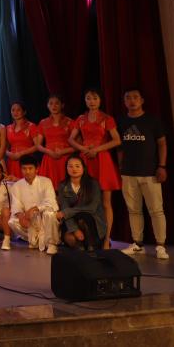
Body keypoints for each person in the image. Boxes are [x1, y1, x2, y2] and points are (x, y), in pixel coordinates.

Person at [117, 87, 169, 259]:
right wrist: (120, 167)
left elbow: (162, 144)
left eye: (135, 97)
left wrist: (162, 166)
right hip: (128, 173)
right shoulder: (121, 121)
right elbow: (119, 147)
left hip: (150, 172)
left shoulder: (152, 121)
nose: (132, 101)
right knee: (133, 210)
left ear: (142, 100)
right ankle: (138, 244)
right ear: (124, 101)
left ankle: (160, 245)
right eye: (128, 97)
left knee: (156, 210)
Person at [68, 88, 121, 248]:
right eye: (88, 98)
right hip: (85, 159)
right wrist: (83, 148)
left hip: (102, 160)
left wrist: (96, 149)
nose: (92, 102)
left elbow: (117, 140)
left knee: (105, 203)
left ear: (100, 100)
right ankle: (89, 238)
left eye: (95, 98)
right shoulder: (81, 119)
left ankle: (106, 239)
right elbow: (71, 139)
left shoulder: (107, 118)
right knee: (85, 201)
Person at [9, 153, 59, 254]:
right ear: (21, 169)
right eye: (24, 168)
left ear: (37, 169)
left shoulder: (46, 181)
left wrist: (35, 209)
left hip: (43, 217)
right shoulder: (16, 186)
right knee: (12, 221)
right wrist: (21, 217)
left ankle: (51, 243)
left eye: (30, 168)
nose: (27, 171)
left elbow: (50, 201)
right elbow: (16, 205)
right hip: (29, 220)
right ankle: (35, 239)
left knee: (49, 213)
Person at [56, 155, 106, 251]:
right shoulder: (62, 185)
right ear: (66, 168)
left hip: (91, 220)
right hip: (71, 220)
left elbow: (92, 207)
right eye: (70, 166)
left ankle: (92, 247)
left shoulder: (93, 183)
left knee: (83, 218)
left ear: (83, 168)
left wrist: (67, 212)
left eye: (77, 166)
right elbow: (64, 208)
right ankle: (81, 250)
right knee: (71, 239)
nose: (74, 169)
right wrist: (75, 230)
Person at [37, 94, 74, 187]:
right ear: (47, 105)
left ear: (62, 105)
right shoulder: (43, 123)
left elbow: (78, 144)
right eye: (51, 103)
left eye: (57, 103)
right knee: (48, 188)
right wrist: (49, 151)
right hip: (49, 158)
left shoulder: (69, 122)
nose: (54, 106)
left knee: (66, 187)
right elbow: (38, 145)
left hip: (65, 158)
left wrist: (63, 151)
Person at [4, 102, 40, 180]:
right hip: (12, 160)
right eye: (13, 110)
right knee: (12, 184)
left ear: (24, 112)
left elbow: (37, 146)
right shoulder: (8, 128)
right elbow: (5, 147)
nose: (15, 112)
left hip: (26, 160)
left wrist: (21, 154)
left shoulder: (31, 126)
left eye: (18, 110)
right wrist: (9, 154)